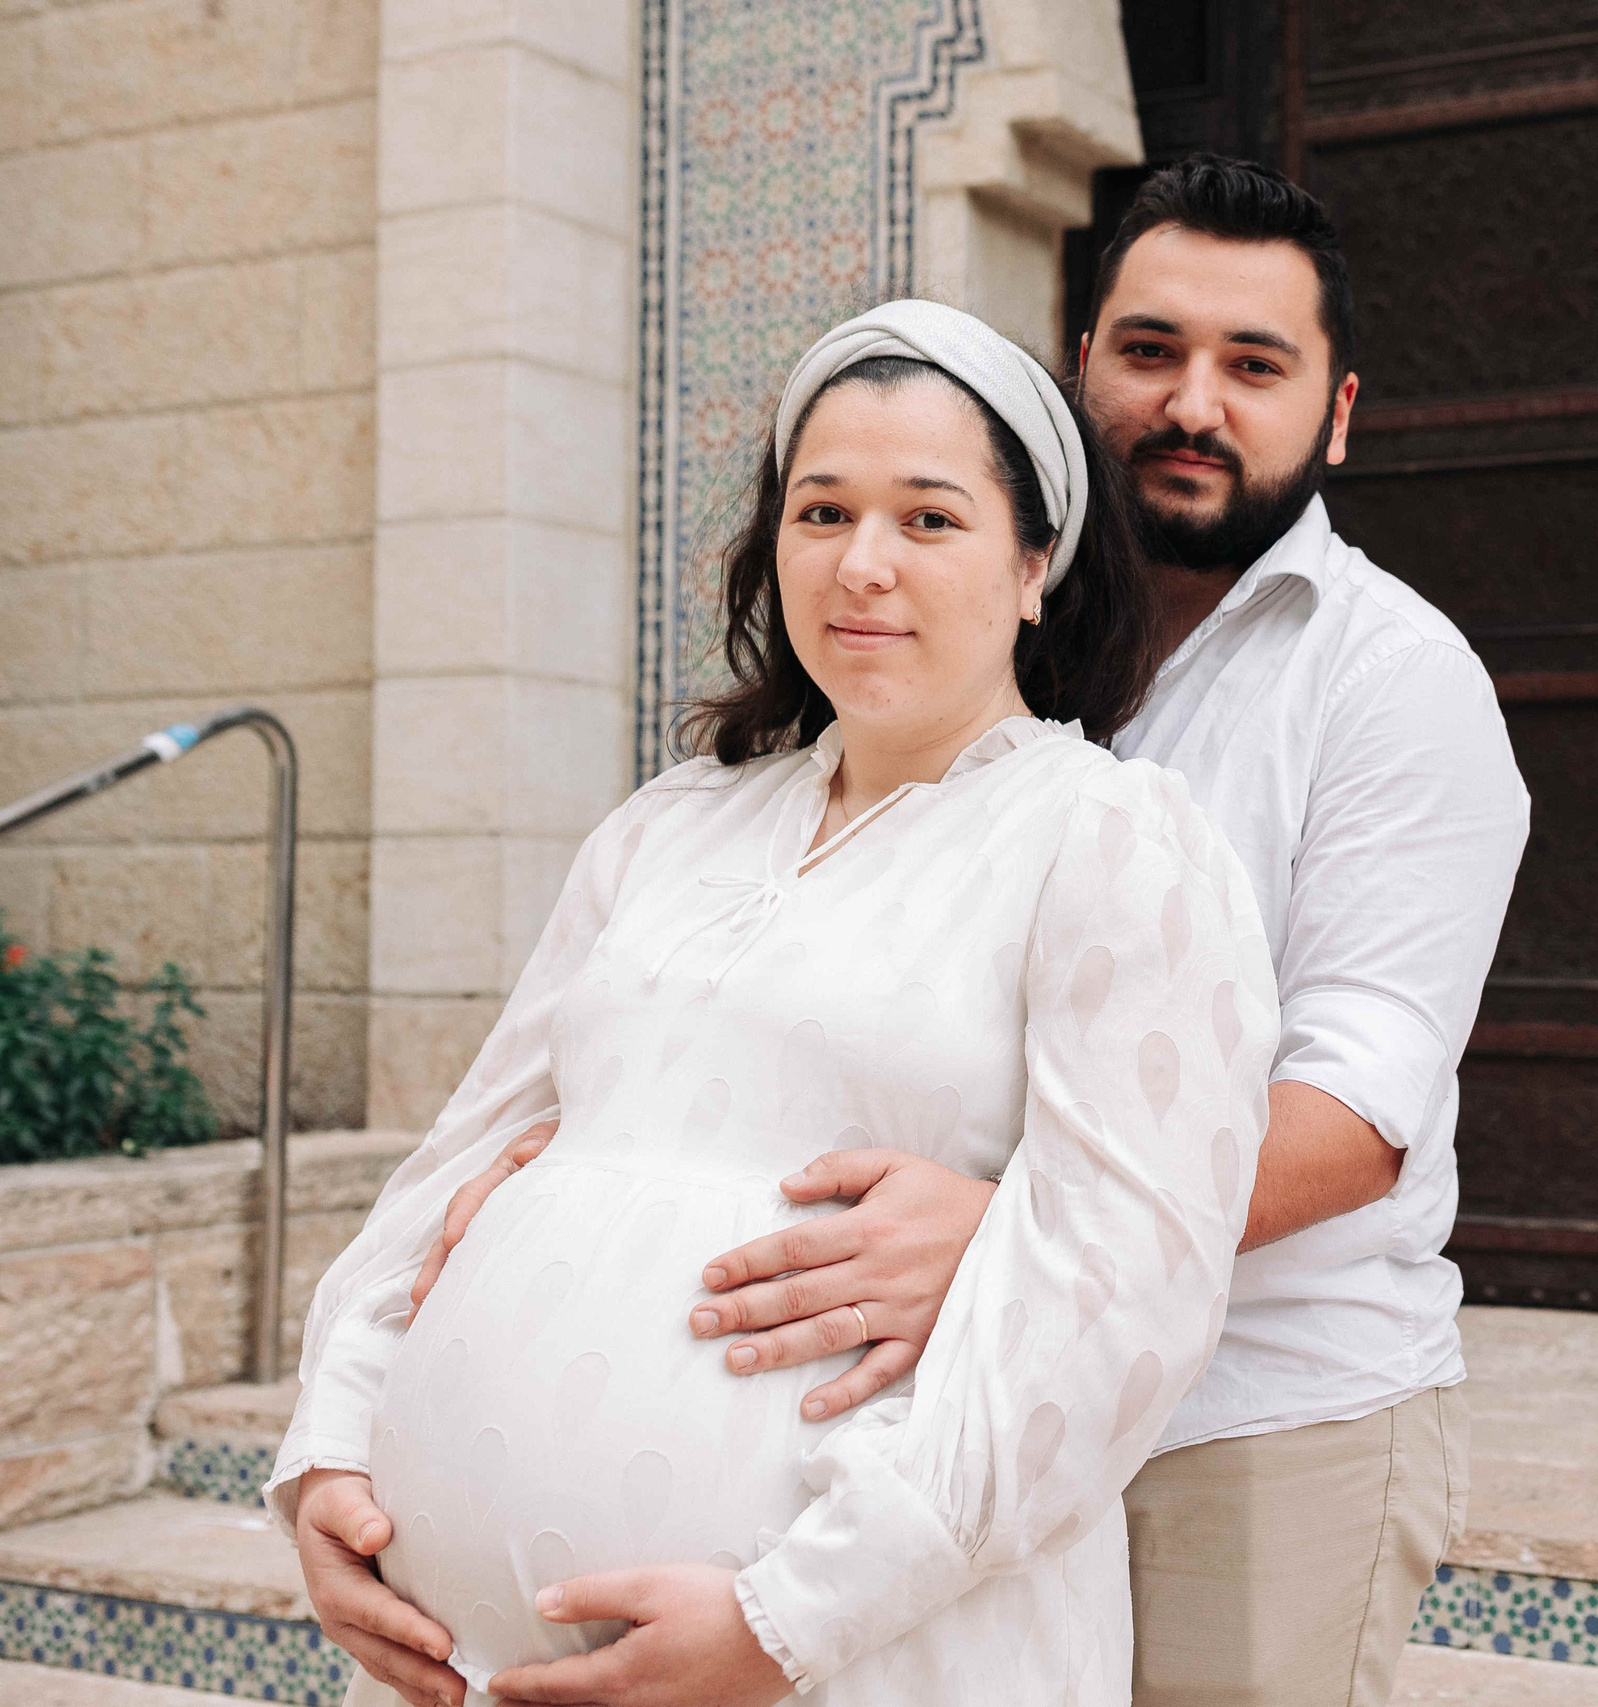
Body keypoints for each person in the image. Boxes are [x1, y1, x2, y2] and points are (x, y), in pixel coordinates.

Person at [418, 154, 1531, 1706]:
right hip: (922, 1423)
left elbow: (1361, 1114)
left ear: (1338, 411)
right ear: (1080, 378)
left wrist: (1022, 1235)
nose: (1192, 402)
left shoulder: (1396, 685)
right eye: (1149, 352)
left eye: (1254, 366)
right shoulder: (937, 677)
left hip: (1255, 1422)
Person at [269, 299, 1282, 1707]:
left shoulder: (1111, 841)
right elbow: (459, 1161)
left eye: (929, 520)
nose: (862, 565)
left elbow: (1125, 1301)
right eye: (823, 513)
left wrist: (783, 1623)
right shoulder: (665, 829)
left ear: (1036, 562)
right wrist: (329, 1455)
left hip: (876, 1658)